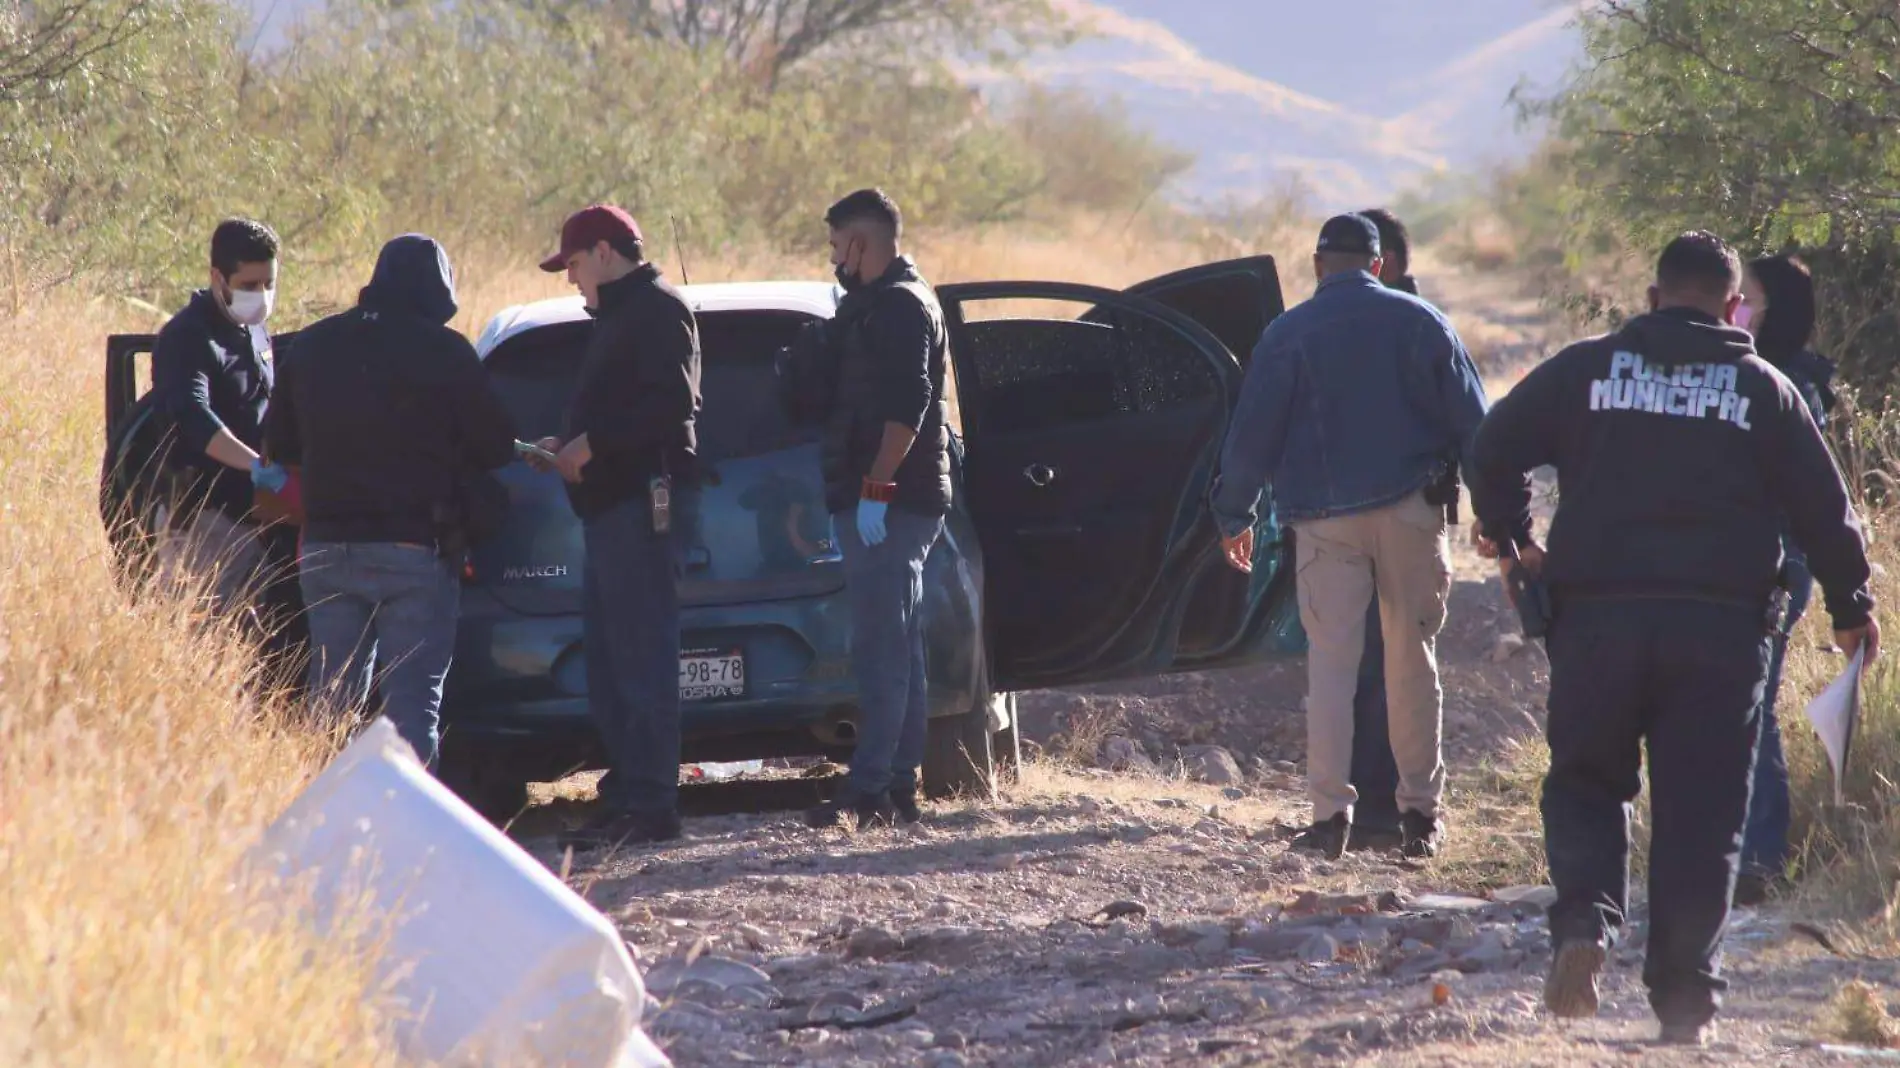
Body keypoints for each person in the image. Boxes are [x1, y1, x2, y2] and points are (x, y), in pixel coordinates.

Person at [1468, 231, 1877, 1045]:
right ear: (1734, 308)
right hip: (1721, 634)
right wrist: (1849, 604)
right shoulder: (1764, 388)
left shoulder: (1587, 370)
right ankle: (1685, 1001)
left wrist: (1515, 541)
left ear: (1653, 299)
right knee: (1701, 813)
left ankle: (1584, 922)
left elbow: (1491, 446)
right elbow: (1826, 511)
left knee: (1587, 780)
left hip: (1596, 622)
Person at [1210, 213, 1489, 860]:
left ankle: (1330, 816)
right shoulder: (1422, 322)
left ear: (1315, 266)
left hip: (1324, 521)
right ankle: (1419, 816)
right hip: (1411, 515)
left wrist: (1235, 515)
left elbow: (1251, 437)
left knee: (1332, 666)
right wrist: (1498, 520)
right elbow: (1475, 426)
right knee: (1411, 663)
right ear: (1379, 265)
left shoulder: (1287, 334)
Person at [265, 233, 516, 770]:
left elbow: (279, 447)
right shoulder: (445, 352)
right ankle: (408, 839)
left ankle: (323, 829)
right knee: (412, 711)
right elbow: (495, 445)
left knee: (329, 702)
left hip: (326, 552)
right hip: (414, 552)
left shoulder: (312, 346)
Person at [775, 188, 951, 831]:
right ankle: (897, 783)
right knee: (899, 644)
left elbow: (909, 409)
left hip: (894, 501)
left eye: (835, 246)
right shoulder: (876, 305)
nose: (832, 259)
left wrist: (876, 488)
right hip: (885, 498)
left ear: (860, 243)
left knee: (882, 646)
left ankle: (872, 788)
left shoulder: (902, 307)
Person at [527, 204, 703, 848]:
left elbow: (673, 405)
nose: (571, 278)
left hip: (640, 505)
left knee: (642, 657)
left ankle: (654, 803)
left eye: (573, 264)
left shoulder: (659, 307)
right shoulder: (618, 314)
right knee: (610, 660)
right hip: (608, 510)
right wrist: (566, 443)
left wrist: (592, 445)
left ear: (604, 252)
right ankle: (628, 790)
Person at [1734, 254, 1840, 905]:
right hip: (1744, 560)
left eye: (1748, 297)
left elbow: (1813, 495)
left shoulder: (1790, 383)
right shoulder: (1751, 371)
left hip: (1776, 565)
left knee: (1753, 707)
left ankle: (1762, 857)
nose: (1737, 306)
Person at [148, 218, 290, 625]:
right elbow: (192, 415)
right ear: (217, 277)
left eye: (268, 283)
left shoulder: (254, 330)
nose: (261, 295)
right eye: (249, 285)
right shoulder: (187, 336)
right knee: (201, 637)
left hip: (254, 519)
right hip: (204, 518)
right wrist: (255, 465)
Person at [1341, 206, 1423, 848]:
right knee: (1395, 663)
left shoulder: (1404, 326)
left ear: (1382, 263)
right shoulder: (1424, 324)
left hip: (1383, 516)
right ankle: (1398, 809)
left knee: (1382, 665)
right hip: (1405, 518)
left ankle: (1381, 813)